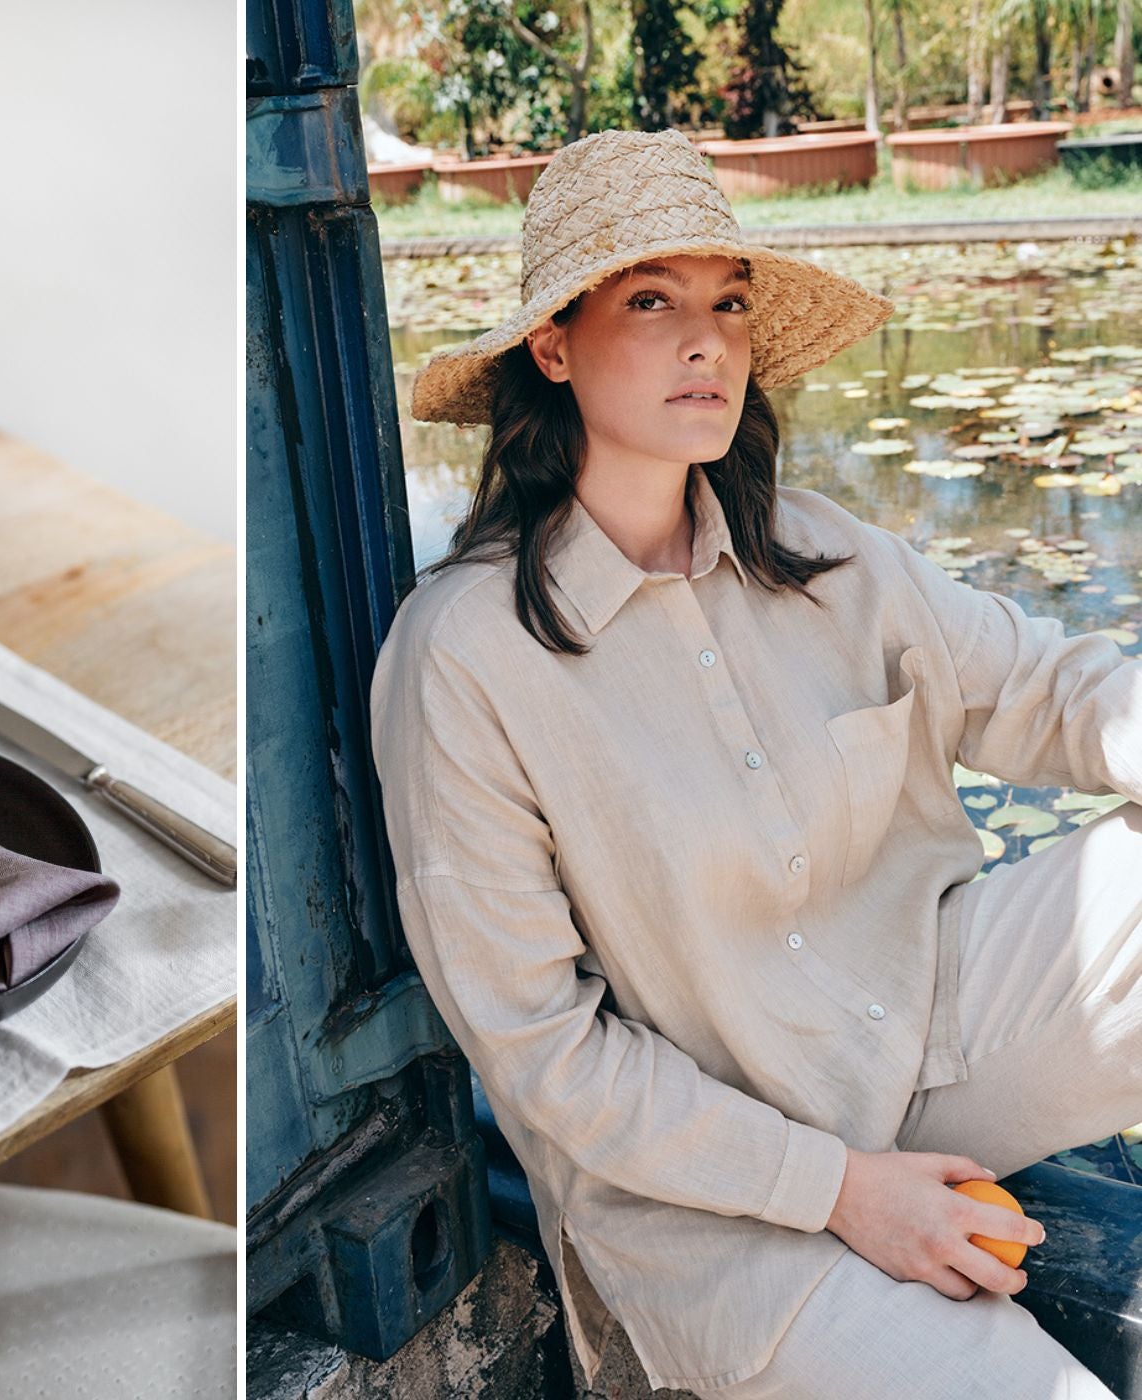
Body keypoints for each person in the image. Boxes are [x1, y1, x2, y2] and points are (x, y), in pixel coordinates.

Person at [369, 127, 1142, 1398]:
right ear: (552, 348)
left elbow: (1044, 687)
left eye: (728, 303)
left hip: (926, 1025)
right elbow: (545, 1052)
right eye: (652, 299)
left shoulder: (819, 549)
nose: (707, 340)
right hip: (713, 1206)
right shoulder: (464, 660)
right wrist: (843, 1193)